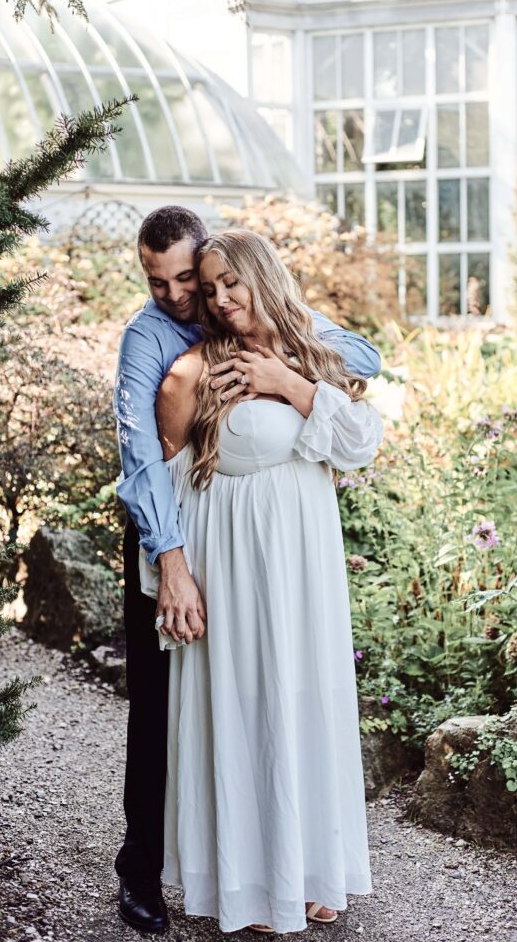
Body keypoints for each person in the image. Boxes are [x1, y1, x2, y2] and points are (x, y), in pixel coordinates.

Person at [113, 206, 382, 934]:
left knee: (301, 698)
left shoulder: (272, 328)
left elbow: (366, 361)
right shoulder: (155, 347)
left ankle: (307, 864)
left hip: (295, 559)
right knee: (169, 716)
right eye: (160, 281)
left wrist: (286, 371)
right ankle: (145, 871)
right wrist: (172, 565)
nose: (180, 295)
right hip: (173, 540)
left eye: (191, 279)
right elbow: (147, 463)